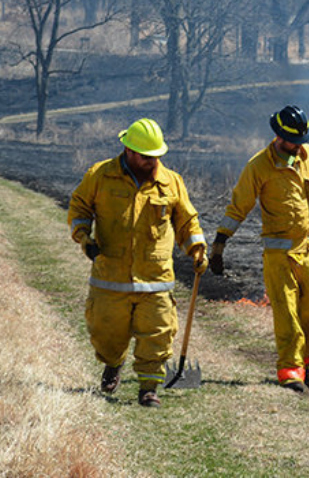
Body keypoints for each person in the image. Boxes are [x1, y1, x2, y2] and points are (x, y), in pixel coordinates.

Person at [209, 104, 309, 393]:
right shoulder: (258, 167)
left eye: (303, 142)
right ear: (279, 137)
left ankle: (306, 360)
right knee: (287, 313)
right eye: (294, 143)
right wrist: (220, 243)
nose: (299, 147)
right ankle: (289, 370)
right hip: (279, 255)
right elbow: (238, 208)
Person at [68, 117, 208, 408]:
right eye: (146, 157)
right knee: (106, 333)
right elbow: (79, 207)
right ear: (129, 151)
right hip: (111, 276)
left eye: (157, 156)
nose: (152, 162)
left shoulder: (171, 182)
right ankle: (113, 363)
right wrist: (83, 236)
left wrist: (197, 248)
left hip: (155, 278)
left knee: (157, 334)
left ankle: (149, 387)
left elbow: (187, 221)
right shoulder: (100, 175)